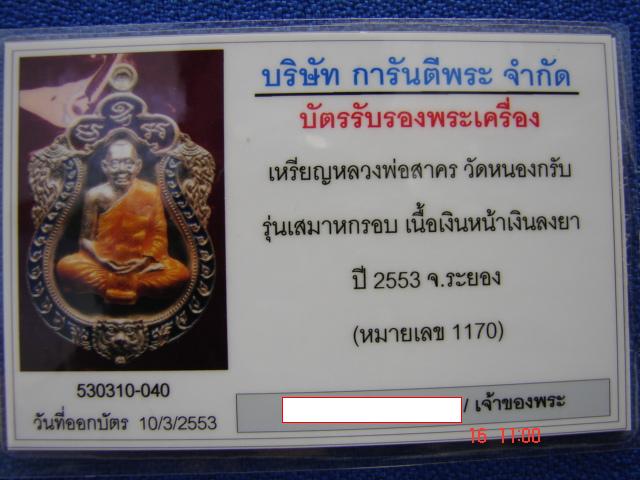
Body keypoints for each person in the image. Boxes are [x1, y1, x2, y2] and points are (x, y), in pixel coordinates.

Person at [56, 136, 189, 305]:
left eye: (128, 163)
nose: (122, 170)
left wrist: (144, 262)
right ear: (105, 166)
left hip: (141, 264)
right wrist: (102, 260)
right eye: (115, 164)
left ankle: (115, 286)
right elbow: (85, 239)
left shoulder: (151, 192)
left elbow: (159, 236)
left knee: (180, 273)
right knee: (66, 266)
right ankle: (132, 286)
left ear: (138, 166)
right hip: (104, 262)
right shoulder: (95, 195)